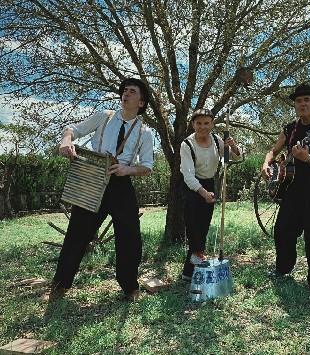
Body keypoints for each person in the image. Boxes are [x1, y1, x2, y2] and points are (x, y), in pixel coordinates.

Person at [47, 78, 154, 301]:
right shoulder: (104, 116)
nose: (126, 94)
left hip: (121, 184)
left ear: (141, 103)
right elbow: (73, 130)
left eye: (132, 92)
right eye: (124, 90)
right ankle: (60, 285)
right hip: (94, 179)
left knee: (130, 236)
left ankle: (130, 288)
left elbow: (147, 167)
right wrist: (66, 140)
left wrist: (127, 170)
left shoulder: (145, 132)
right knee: (77, 233)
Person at [261, 83, 310, 295]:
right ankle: (283, 268)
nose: (302, 104)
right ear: (294, 105)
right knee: (283, 229)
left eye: (306, 100)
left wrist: (308, 157)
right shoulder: (289, 128)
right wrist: (267, 164)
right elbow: (273, 151)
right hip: (293, 187)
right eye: (298, 100)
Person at [180, 108, 242, 281]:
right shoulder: (187, 144)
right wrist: (203, 193)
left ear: (212, 124)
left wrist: (233, 147)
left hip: (209, 183)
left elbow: (234, 158)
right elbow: (188, 175)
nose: (202, 127)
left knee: (203, 226)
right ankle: (199, 255)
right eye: (198, 123)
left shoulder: (217, 140)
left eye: (206, 123)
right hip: (191, 185)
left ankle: (188, 273)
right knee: (193, 220)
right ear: (193, 124)